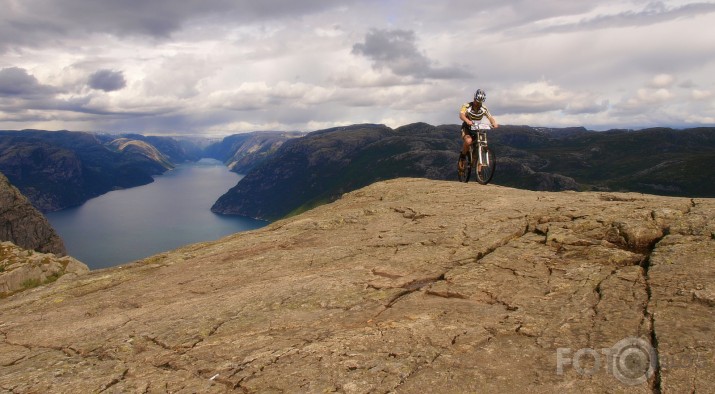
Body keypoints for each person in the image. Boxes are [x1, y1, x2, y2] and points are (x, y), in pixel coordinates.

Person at [458, 89, 499, 174]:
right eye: (477, 101)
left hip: (477, 128)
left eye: (480, 102)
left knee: (483, 145)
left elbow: (490, 117)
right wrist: (467, 120)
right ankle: (462, 158)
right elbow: (461, 114)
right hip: (467, 128)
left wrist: (494, 123)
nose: (478, 104)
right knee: (468, 141)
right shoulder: (467, 105)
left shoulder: (484, 108)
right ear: (474, 98)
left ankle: (479, 171)